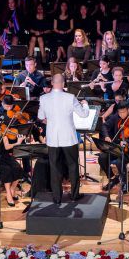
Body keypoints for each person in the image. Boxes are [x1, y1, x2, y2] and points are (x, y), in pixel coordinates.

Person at [38, 74, 89, 203]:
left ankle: (57, 198)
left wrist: (51, 121)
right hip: (69, 138)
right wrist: (85, 105)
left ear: (52, 83)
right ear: (63, 84)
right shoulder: (70, 97)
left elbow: (41, 116)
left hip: (52, 138)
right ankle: (74, 195)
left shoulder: (43, 98)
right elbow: (84, 114)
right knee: (73, 166)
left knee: (54, 168)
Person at [100, 100, 129, 191]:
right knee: (102, 157)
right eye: (119, 112)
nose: (121, 115)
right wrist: (106, 136)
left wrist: (127, 143)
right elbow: (104, 126)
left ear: (128, 110)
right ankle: (113, 178)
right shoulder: (116, 117)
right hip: (117, 148)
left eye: (123, 112)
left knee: (119, 162)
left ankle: (126, 182)